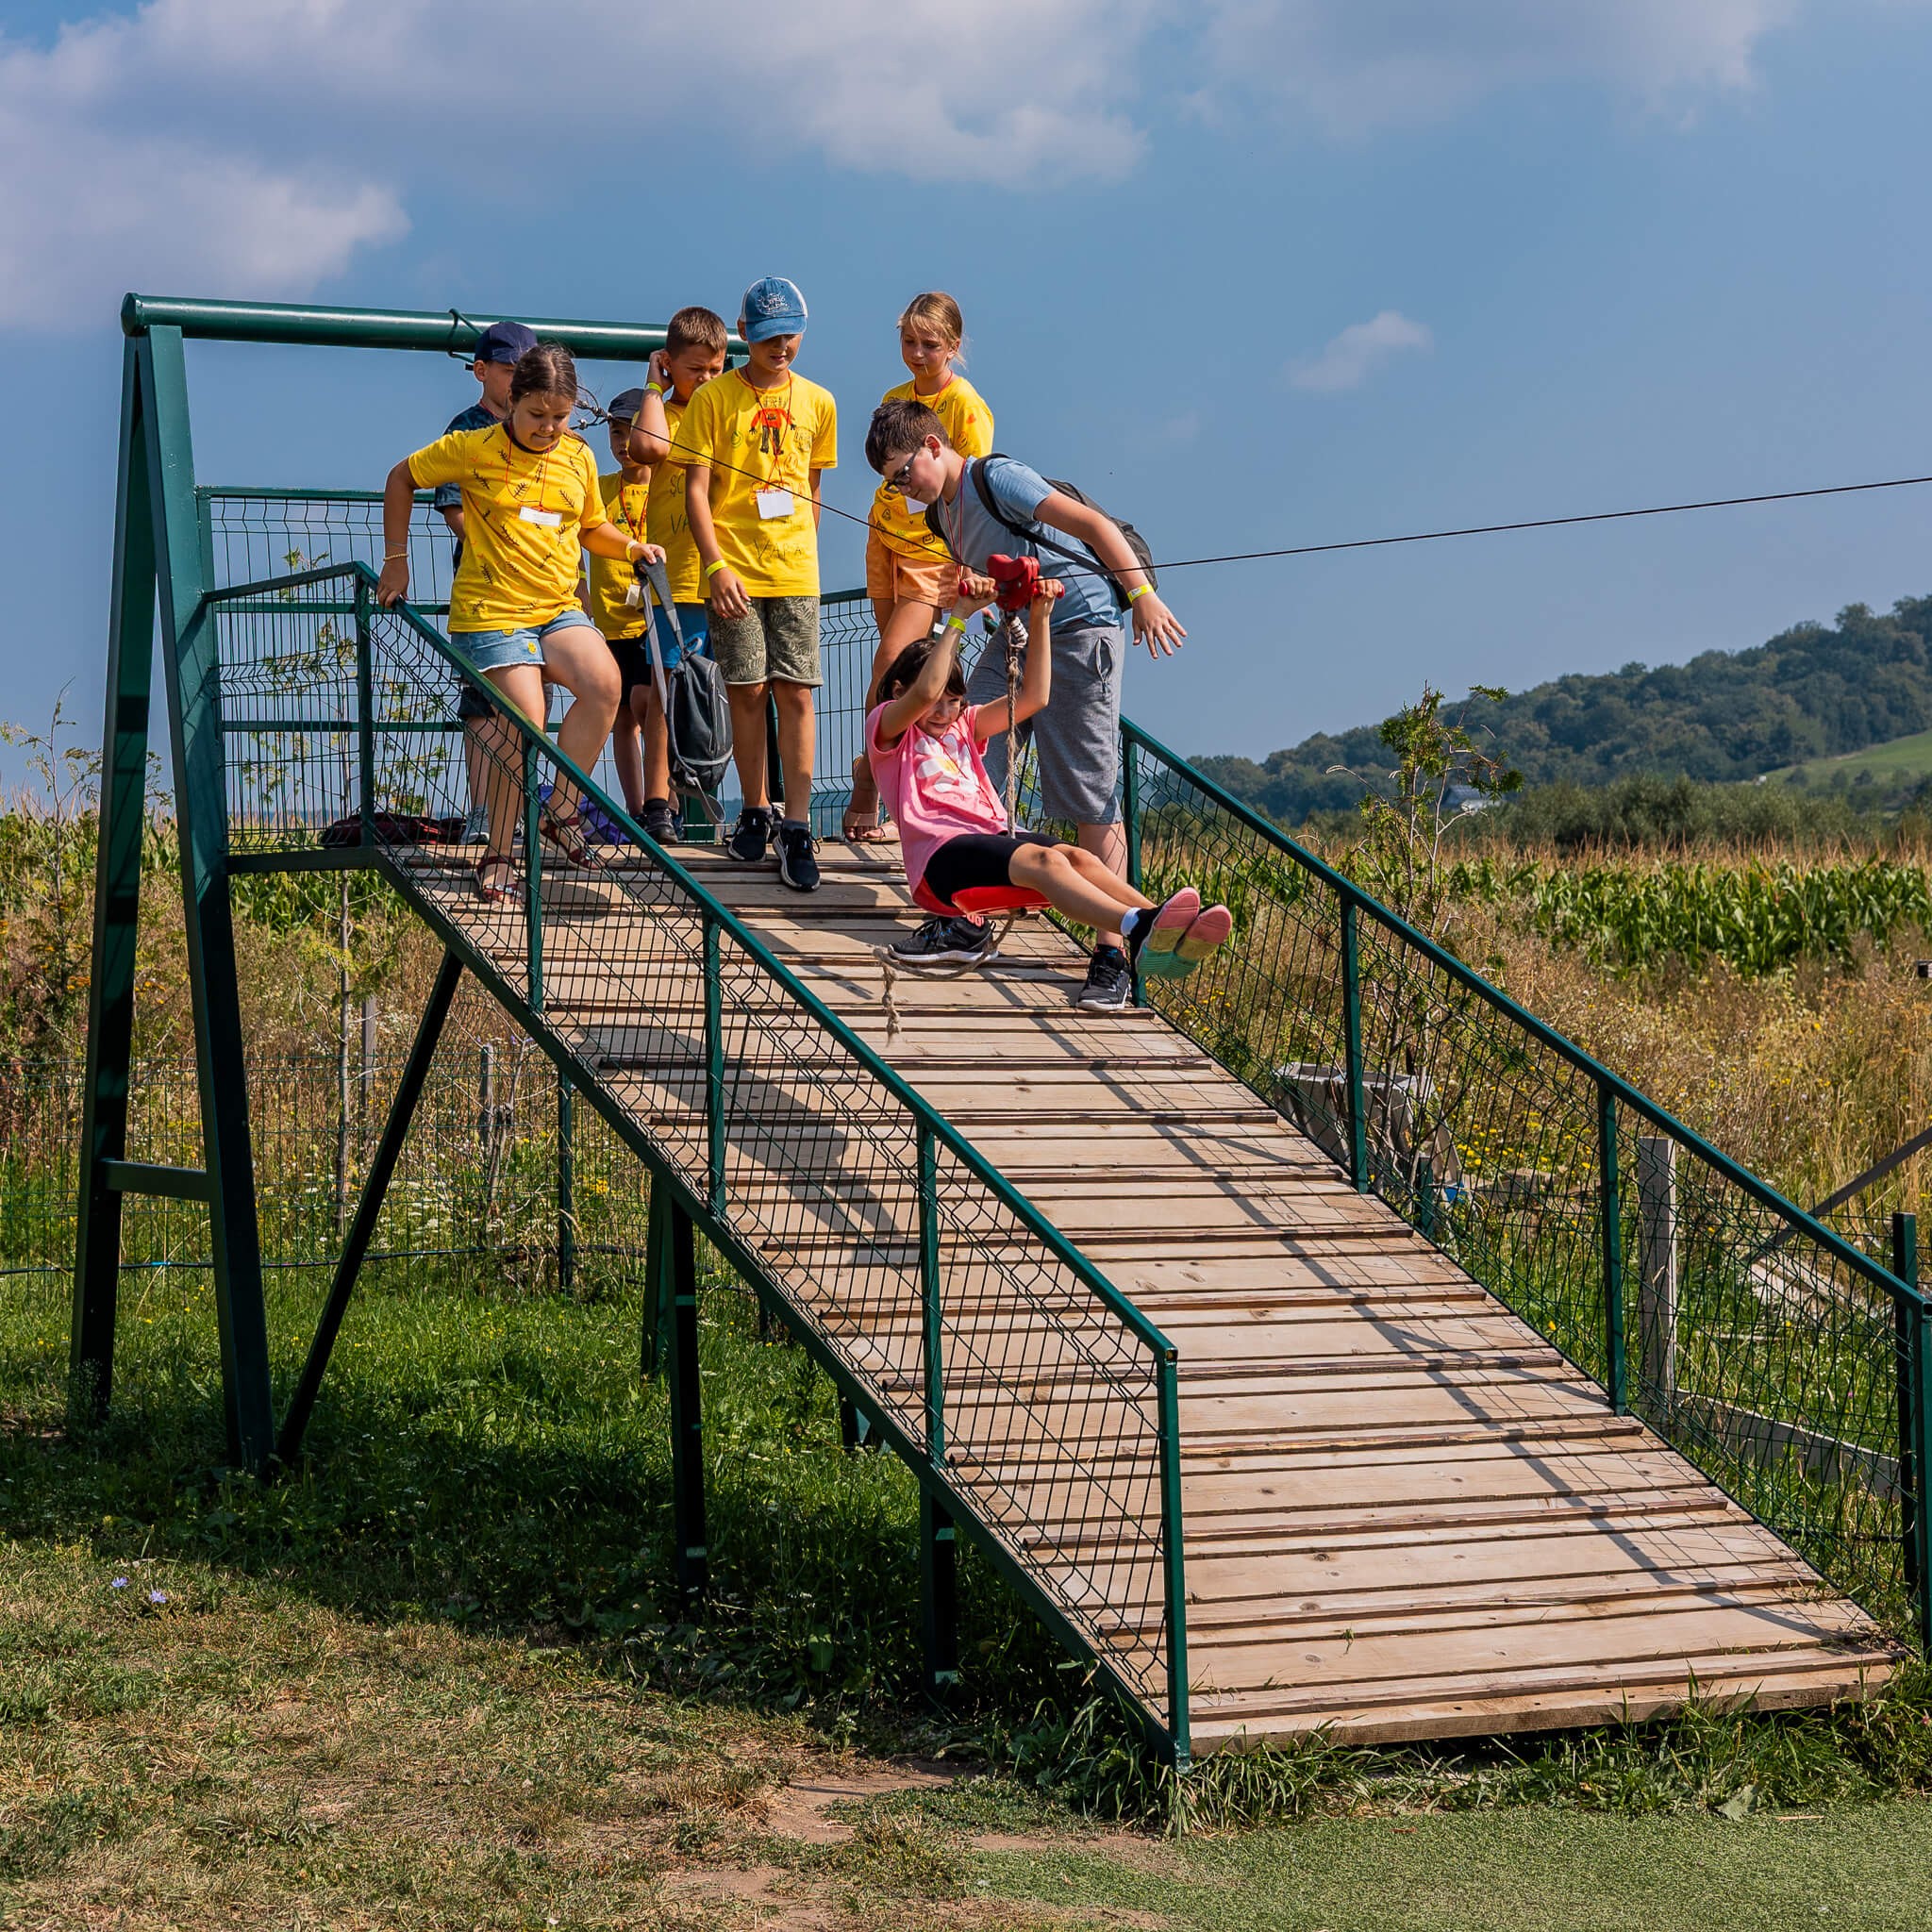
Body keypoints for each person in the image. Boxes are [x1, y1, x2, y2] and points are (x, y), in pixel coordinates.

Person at [864, 399, 1188, 1009]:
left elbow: (1093, 527)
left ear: (934, 446)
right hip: (1017, 631)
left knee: (1087, 793)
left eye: (903, 472)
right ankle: (969, 917)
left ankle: (1112, 956)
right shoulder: (942, 516)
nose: (902, 488)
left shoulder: (996, 477)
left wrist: (1140, 593)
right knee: (963, 744)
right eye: (891, 482)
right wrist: (981, 593)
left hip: (1081, 627)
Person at [378, 341, 664, 902]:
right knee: (526, 717)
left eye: (560, 417)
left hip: (557, 608)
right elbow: (400, 478)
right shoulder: (472, 448)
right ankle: (500, 853)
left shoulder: (579, 457)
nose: (548, 428)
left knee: (606, 684)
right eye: (537, 416)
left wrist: (630, 547)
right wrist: (397, 560)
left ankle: (558, 814)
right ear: (512, 401)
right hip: (493, 610)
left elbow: (590, 529)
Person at [868, 574, 1231, 988]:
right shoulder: (890, 728)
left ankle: (1167, 926)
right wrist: (960, 616)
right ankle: (1138, 925)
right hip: (941, 859)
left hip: (990, 840)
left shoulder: (964, 726)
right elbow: (923, 692)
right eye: (936, 701)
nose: (944, 710)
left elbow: (1035, 697)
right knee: (1046, 861)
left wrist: (1040, 617)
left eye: (954, 701)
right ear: (900, 690)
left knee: (1079, 859)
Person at [681, 276, 837, 892]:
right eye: (769, 336)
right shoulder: (713, 399)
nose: (781, 346)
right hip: (733, 569)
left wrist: (802, 552)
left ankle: (796, 824)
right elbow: (696, 488)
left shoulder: (819, 402)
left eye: (790, 334)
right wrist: (715, 564)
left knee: (797, 692)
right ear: (744, 334)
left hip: (795, 571)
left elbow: (815, 490)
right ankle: (754, 807)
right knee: (745, 690)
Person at [845, 292, 993, 842]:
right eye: (909, 341)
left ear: (953, 346)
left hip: (934, 551)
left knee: (889, 665)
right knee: (899, 664)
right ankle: (898, 782)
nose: (917, 353)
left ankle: (867, 794)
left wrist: (966, 565)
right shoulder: (894, 396)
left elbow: (969, 489)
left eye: (930, 344)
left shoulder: (967, 407)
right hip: (884, 536)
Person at [626, 307, 732, 840]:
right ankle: (657, 801)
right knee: (666, 688)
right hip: (678, 580)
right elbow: (647, 449)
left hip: (730, 577)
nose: (708, 381)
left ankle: (721, 796)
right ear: (669, 365)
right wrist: (653, 386)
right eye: (695, 371)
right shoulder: (666, 412)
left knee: (725, 691)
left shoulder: (728, 410)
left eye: (716, 370)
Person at [434, 320, 538, 841]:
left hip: (539, 589)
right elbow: (452, 506)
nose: (518, 376)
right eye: (507, 368)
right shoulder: (466, 429)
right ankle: (485, 811)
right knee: (483, 705)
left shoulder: (544, 429)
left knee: (525, 704)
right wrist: (497, 544)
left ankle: (524, 812)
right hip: (485, 584)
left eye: (526, 367)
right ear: (481, 371)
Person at [583, 388, 657, 826]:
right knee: (621, 717)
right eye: (615, 432)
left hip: (651, 619)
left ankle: (658, 800)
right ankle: (635, 812)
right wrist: (579, 589)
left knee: (649, 703)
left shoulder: (667, 488)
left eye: (632, 432)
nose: (623, 443)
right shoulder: (600, 489)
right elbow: (575, 536)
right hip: (610, 618)